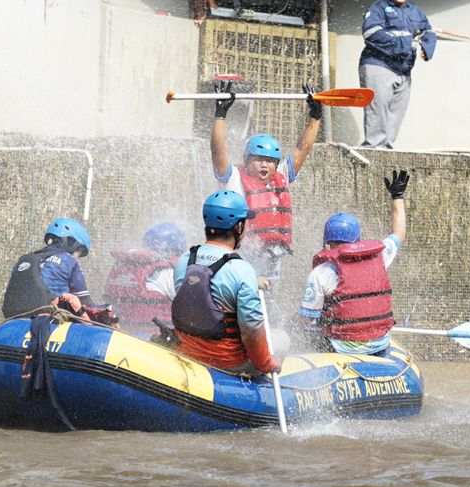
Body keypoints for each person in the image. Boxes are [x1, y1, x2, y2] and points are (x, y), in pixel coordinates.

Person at [209, 82, 322, 281]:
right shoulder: (234, 178)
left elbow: (302, 148)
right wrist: (220, 115)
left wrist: (315, 117)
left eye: (270, 161)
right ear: (247, 161)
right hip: (244, 254)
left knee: (267, 293)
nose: (265, 165)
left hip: (272, 255)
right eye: (259, 159)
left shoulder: (281, 176)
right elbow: (218, 152)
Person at [171, 190, 282, 376]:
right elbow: (251, 331)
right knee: (282, 340)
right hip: (228, 363)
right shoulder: (242, 270)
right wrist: (267, 364)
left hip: (187, 354)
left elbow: (197, 302)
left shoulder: (185, 260)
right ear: (239, 227)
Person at [299, 170, 409, 355]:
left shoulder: (322, 273)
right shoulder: (379, 256)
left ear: (327, 242)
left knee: (306, 331)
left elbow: (306, 319)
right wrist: (397, 196)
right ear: (358, 240)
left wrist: (285, 328)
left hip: (341, 346)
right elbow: (399, 234)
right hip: (379, 342)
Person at [359, 0, 437, 148]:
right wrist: (407, 44)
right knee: (377, 116)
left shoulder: (415, 11)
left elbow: (428, 31)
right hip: (379, 66)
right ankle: (373, 150)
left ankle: (386, 152)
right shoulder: (378, 8)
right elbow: (371, 34)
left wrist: (427, 47)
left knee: (395, 118)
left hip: (404, 71)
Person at [102, 221, 187, 337]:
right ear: (177, 249)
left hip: (118, 335)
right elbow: (189, 307)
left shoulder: (123, 266)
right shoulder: (167, 271)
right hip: (154, 339)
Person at [1, 217, 95, 318]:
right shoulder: (69, 260)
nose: (77, 257)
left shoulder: (25, 259)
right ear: (71, 243)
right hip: (49, 316)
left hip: (13, 316)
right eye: (79, 252)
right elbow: (85, 302)